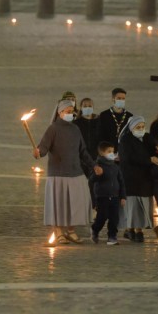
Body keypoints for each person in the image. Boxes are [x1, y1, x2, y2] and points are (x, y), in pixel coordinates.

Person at [33, 99, 100, 244]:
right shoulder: (53, 129)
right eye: (68, 112)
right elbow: (43, 147)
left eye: (72, 112)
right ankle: (58, 231)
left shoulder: (75, 129)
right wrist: (39, 152)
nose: (71, 114)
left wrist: (93, 165)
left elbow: (82, 151)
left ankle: (71, 230)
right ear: (60, 112)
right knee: (59, 204)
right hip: (58, 174)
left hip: (76, 172)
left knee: (75, 204)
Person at [118, 115, 155, 242]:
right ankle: (129, 230)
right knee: (131, 206)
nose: (140, 129)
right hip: (130, 178)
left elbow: (155, 150)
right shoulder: (125, 140)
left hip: (144, 178)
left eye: (142, 127)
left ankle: (139, 230)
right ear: (131, 128)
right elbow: (127, 158)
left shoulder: (147, 138)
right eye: (138, 127)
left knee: (142, 205)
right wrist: (147, 160)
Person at [89, 142, 126, 246]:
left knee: (114, 218)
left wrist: (123, 196)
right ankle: (95, 229)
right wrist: (97, 174)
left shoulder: (115, 167)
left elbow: (121, 181)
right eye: (109, 152)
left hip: (115, 197)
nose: (112, 154)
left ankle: (112, 236)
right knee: (102, 216)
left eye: (113, 151)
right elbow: (91, 180)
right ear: (101, 153)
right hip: (102, 197)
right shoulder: (97, 166)